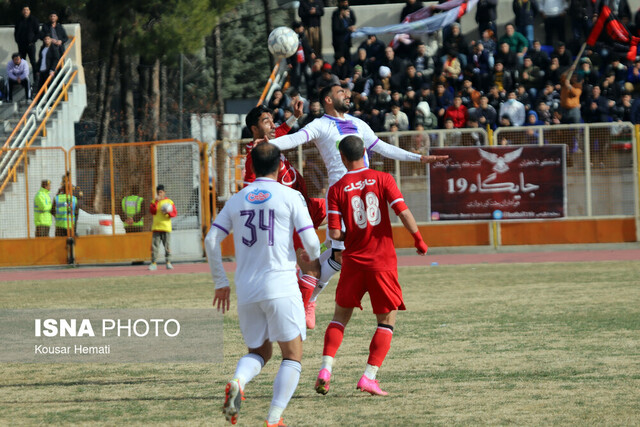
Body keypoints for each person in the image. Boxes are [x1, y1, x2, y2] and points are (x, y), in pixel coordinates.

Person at [270, 83, 447, 317]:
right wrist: (266, 146)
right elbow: (295, 140)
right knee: (340, 254)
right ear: (328, 100)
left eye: (346, 91)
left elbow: (383, 147)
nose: (347, 94)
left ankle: (306, 283)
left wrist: (418, 158)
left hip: (363, 192)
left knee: (337, 253)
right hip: (341, 195)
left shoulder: (359, 123)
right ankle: (308, 297)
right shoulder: (320, 124)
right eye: (340, 92)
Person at [205, 142, 321, 427]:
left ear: (252, 167)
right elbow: (312, 242)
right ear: (281, 166)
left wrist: (221, 282)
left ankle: (238, 381)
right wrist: (312, 257)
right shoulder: (290, 195)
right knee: (292, 355)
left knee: (259, 352)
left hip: (247, 290)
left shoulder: (237, 199)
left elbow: (211, 240)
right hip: (280, 285)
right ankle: (274, 418)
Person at [314, 135, 428, 397]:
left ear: (342, 158)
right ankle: (369, 376)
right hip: (381, 262)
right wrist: (418, 239)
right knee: (386, 319)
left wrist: (350, 233)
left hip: (353, 262)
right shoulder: (383, 179)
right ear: (364, 152)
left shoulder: (337, 188)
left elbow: (334, 232)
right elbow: (403, 211)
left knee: (339, 318)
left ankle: (325, 370)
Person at [243, 104, 326, 329]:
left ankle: (306, 290)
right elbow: (249, 186)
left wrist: (293, 119)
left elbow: (278, 132)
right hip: (290, 215)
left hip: (306, 205)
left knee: (340, 212)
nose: (272, 125)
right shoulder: (256, 153)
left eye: (272, 119)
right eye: (266, 121)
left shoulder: (271, 142)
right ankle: (305, 305)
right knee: (312, 265)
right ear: (254, 128)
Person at [149, 185, 176, 270]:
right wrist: (156, 202)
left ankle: (168, 262)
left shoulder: (169, 202)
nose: (159, 194)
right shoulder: (154, 201)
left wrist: (167, 213)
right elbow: (152, 211)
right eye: (158, 193)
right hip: (156, 227)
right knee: (155, 246)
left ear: (164, 192)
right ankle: (153, 263)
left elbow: (174, 213)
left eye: (161, 192)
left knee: (167, 246)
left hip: (166, 227)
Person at [14, 6, 40, 70]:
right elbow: (16, 32)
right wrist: (18, 41)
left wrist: (33, 41)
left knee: (33, 61)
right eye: (24, 10)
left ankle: (36, 78)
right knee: (21, 62)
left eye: (27, 10)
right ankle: (23, 78)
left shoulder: (34, 20)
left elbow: (38, 32)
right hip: (21, 45)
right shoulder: (19, 20)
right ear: (22, 11)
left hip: (30, 45)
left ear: (29, 11)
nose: (26, 11)